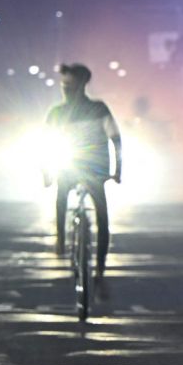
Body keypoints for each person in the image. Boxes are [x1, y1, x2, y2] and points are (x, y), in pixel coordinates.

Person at [43, 63, 122, 274]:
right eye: (64, 84)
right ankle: (60, 240)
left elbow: (116, 139)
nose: (66, 88)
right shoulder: (55, 113)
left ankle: (100, 269)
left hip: (96, 170)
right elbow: (45, 145)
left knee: (102, 217)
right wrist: (46, 173)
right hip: (69, 167)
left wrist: (118, 170)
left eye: (70, 84)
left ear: (82, 84)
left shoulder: (99, 109)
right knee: (61, 197)